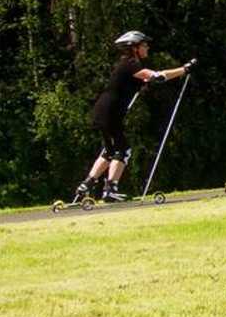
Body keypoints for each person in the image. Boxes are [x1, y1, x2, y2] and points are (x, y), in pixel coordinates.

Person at [73, 31, 194, 203]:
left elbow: (147, 80)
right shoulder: (131, 64)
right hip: (110, 112)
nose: (147, 47)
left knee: (110, 151)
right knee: (123, 150)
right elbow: (157, 76)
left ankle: (86, 185)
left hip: (106, 111)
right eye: (144, 45)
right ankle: (110, 189)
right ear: (134, 48)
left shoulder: (129, 65)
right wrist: (184, 70)